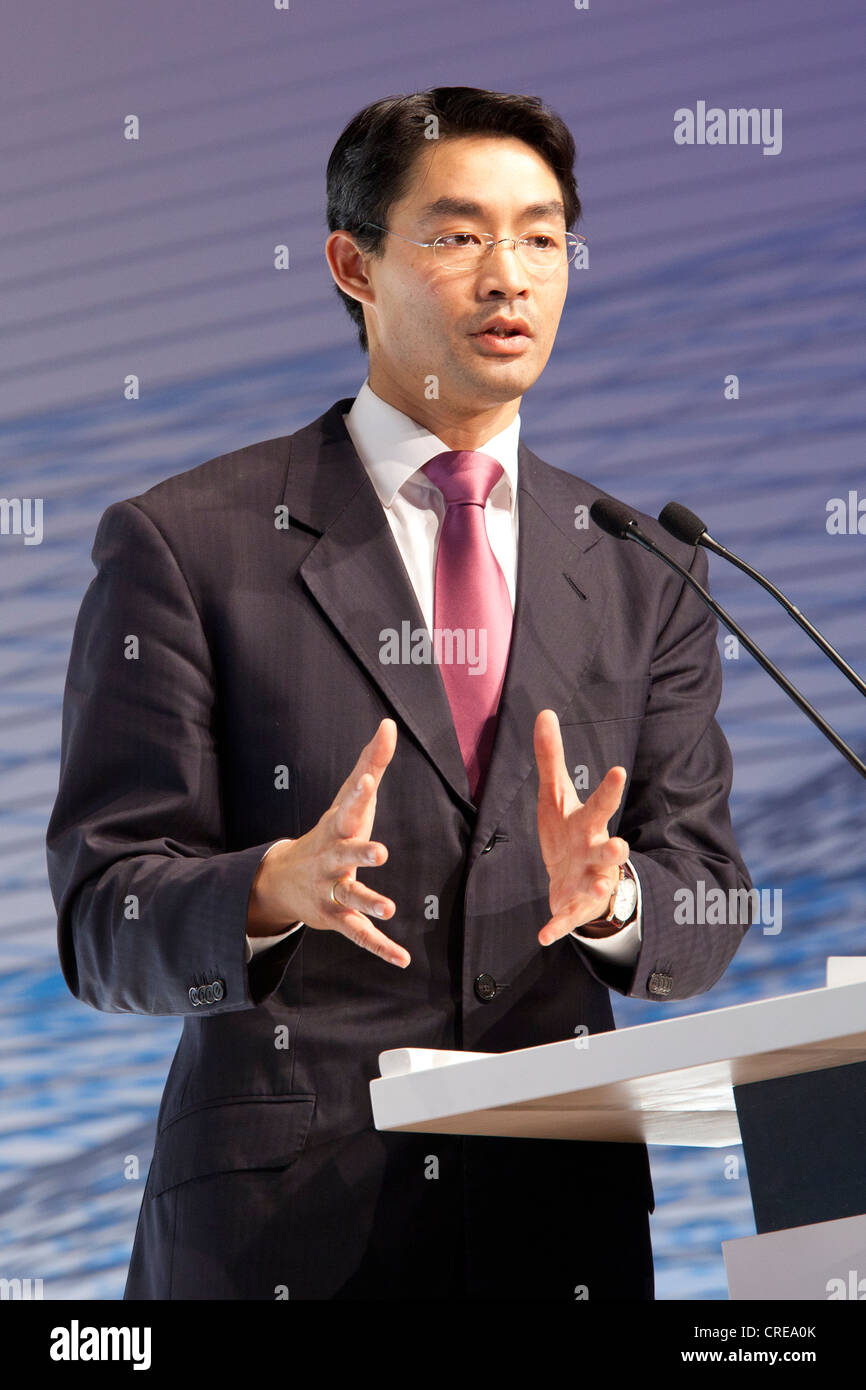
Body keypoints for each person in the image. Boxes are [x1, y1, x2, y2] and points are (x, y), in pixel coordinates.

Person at [46, 87, 752, 1301]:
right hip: (282, 1240)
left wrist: (617, 899)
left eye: (540, 237)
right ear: (351, 264)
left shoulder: (644, 560)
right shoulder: (187, 542)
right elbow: (101, 920)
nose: (508, 276)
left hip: (558, 1229)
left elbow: (706, 903)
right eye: (456, 233)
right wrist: (265, 890)